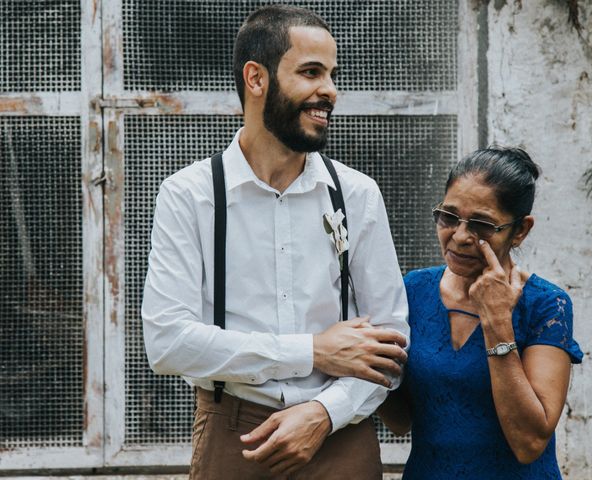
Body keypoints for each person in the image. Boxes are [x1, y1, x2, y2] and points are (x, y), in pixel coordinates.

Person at [141, 5, 409, 479]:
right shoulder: (189, 195)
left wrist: (324, 413)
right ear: (256, 78)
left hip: (342, 434)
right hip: (234, 435)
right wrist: (311, 352)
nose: (329, 91)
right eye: (311, 72)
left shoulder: (357, 194)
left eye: (332, 75)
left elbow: (391, 343)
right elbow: (168, 341)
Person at [377, 147, 583, 479]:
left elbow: (529, 443)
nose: (459, 237)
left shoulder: (545, 305)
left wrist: (497, 322)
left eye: (482, 224)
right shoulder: (412, 291)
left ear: (520, 230)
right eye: (448, 217)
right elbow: (400, 421)